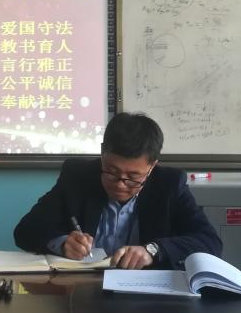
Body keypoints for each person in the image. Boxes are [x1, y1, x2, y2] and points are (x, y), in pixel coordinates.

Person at [13, 112, 221, 270]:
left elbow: (209, 242)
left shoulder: (169, 184)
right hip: (84, 291)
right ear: (102, 152)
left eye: (133, 177)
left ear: (152, 167)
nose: (120, 184)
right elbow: (25, 230)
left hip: (148, 297)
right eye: (112, 172)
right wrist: (63, 244)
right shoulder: (77, 176)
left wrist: (152, 250)